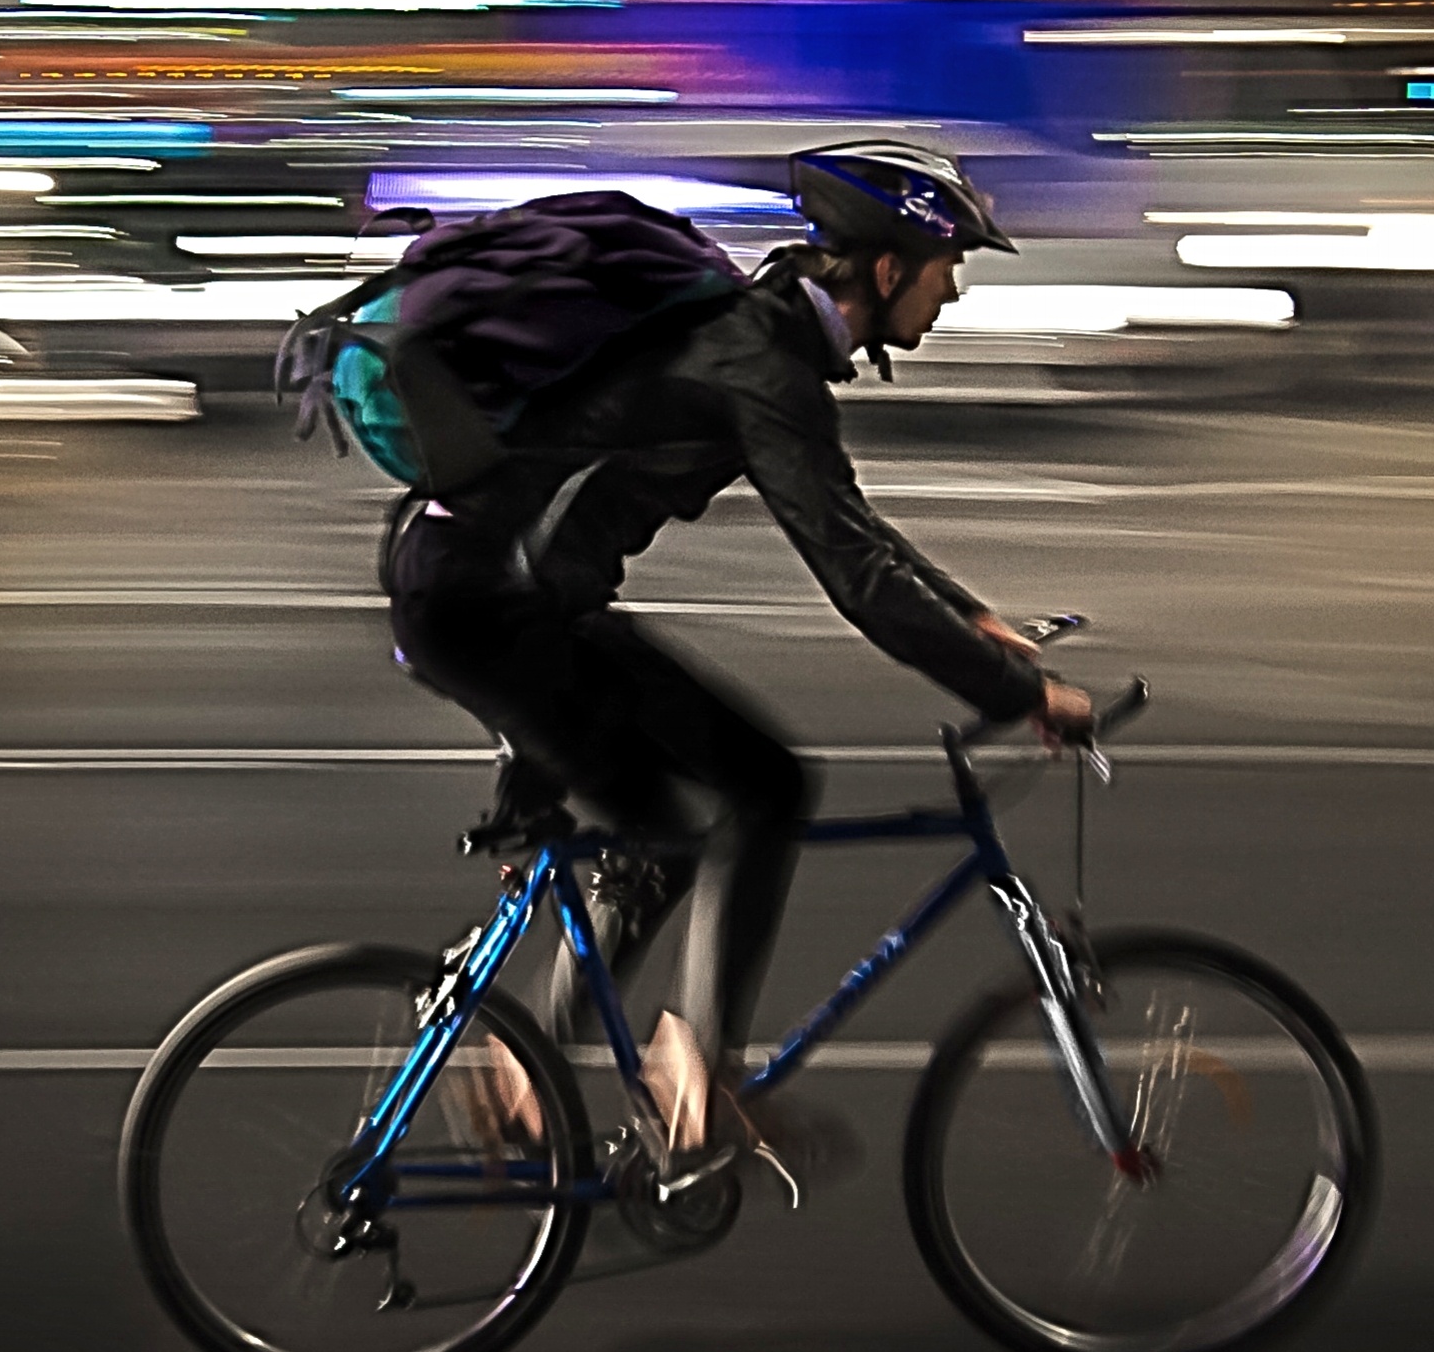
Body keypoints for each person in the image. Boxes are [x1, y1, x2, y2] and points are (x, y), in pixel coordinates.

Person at [382, 140, 1097, 1172]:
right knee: (763, 785)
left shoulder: (754, 339)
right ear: (887, 268)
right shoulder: (762, 365)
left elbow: (850, 525)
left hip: (493, 591)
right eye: (946, 271)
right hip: (491, 606)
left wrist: (974, 617)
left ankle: (533, 1068)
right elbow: (853, 576)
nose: (951, 296)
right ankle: (683, 1076)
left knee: (668, 822)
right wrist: (1021, 688)